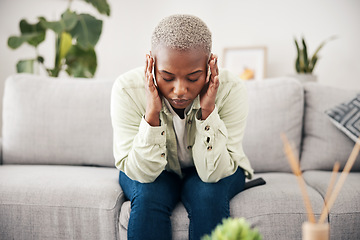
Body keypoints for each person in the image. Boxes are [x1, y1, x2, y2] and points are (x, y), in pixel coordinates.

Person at [111, 14, 254, 240]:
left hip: (217, 167)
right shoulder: (127, 90)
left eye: (193, 77)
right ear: (151, 64)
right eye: (167, 77)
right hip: (154, 170)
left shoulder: (231, 89)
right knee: (148, 195)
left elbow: (213, 173)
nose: (179, 90)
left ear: (209, 65)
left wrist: (207, 113)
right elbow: (141, 173)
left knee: (208, 195)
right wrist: (152, 115)